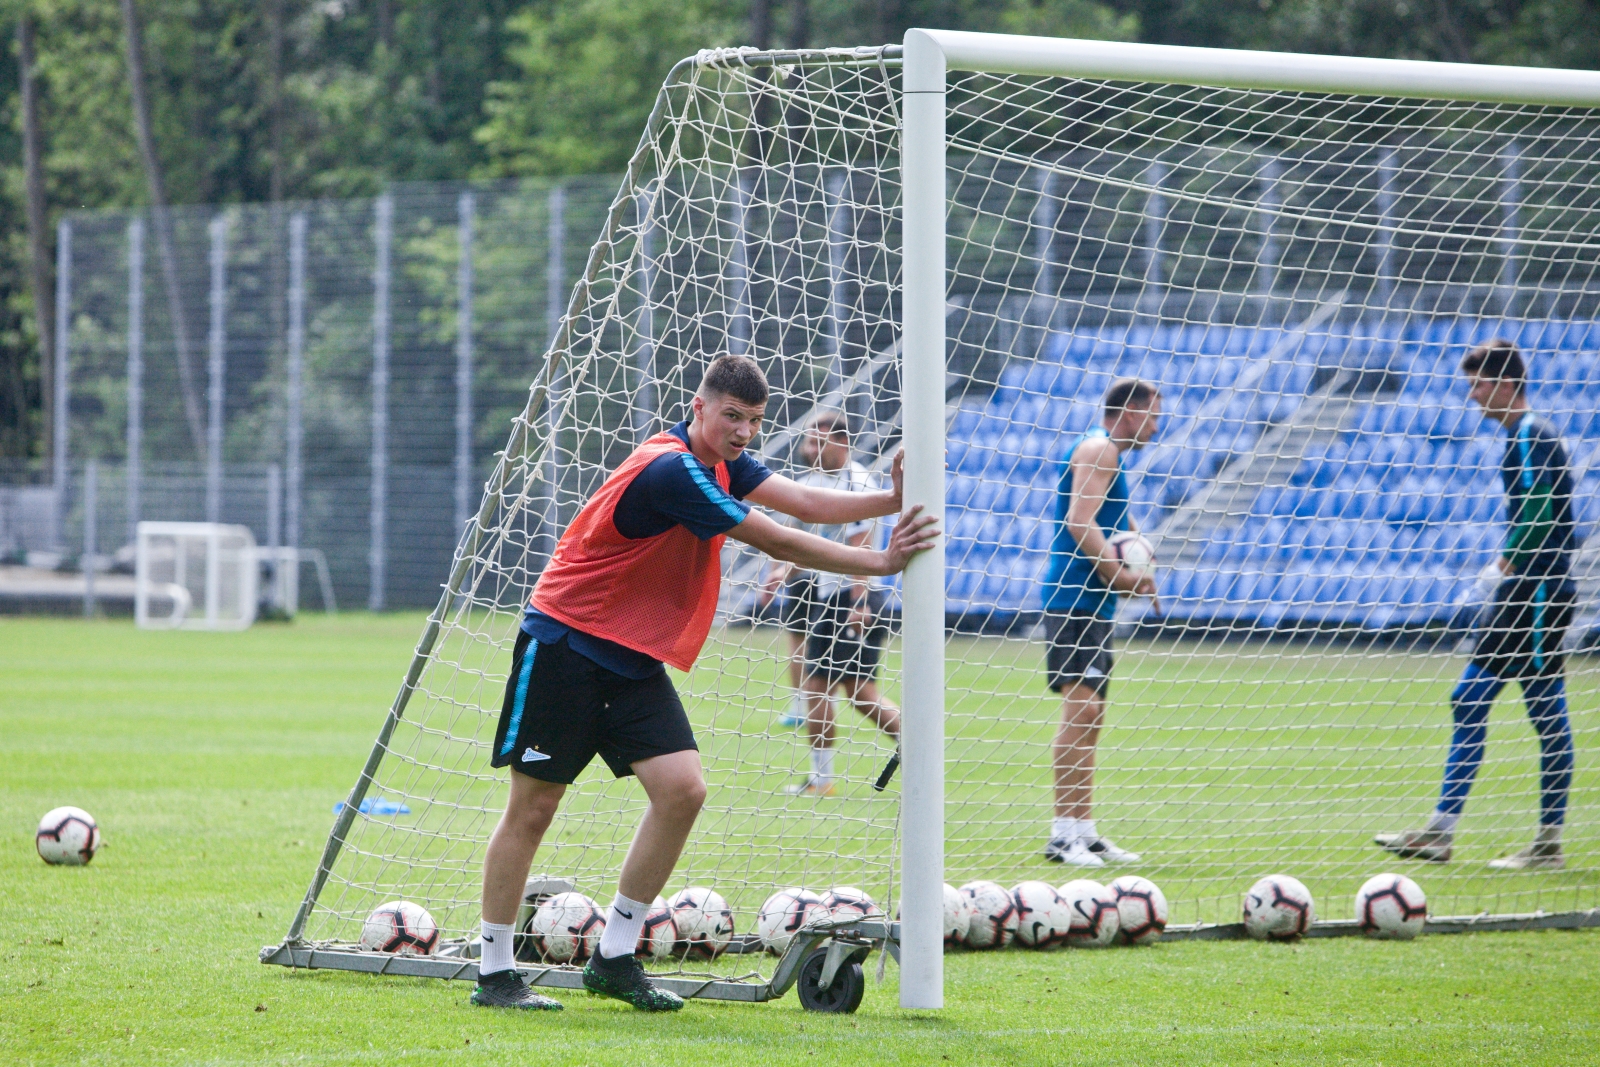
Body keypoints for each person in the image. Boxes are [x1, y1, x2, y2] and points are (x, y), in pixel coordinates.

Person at [471, 355, 937, 1012]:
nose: (744, 431)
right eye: (732, 416)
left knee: (683, 790)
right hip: (567, 643)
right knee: (534, 807)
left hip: (629, 657)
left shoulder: (722, 461)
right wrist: (882, 559)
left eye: (754, 420)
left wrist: (890, 499)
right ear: (699, 406)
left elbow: (802, 500)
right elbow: (778, 539)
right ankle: (494, 972)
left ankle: (614, 957)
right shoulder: (670, 469)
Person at [1376, 339, 1577, 871]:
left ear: (1506, 383)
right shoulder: (1521, 435)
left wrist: (1504, 565)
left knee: (1544, 710)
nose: (1473, 395)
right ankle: (1441, 833)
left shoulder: (1530, 434)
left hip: (1537, 592)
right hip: (1526, 591)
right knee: (1470, 699)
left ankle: (1546, 845)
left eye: (1479, 384)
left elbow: (1538, 509)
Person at [1038, 377, 1161, 868]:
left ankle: (1085, 831)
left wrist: (1142, 567)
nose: (1156, 426)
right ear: (1129, 410)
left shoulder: (1112, 457)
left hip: (1095, 604)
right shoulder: (1099, 448)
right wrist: (1121, 576)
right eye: (1152, 415)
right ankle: (1061, 835)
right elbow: (1079, 522)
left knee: (1094, 717)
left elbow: (1116, 525)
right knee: (1080, 713)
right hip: (1073, 598)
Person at [760, 411, 899, 797]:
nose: (811, 448)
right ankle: (827, 777)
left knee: (825, 687)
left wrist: (859, 600)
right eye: (809, 441)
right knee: (852, 691)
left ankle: (824, 779)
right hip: (835, 596)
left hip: (850, 599)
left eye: (820, 442)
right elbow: (795, 538)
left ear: (843, 443)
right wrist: (781, 572)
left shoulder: (857, 481)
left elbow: (862, 545)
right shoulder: (815, 482)